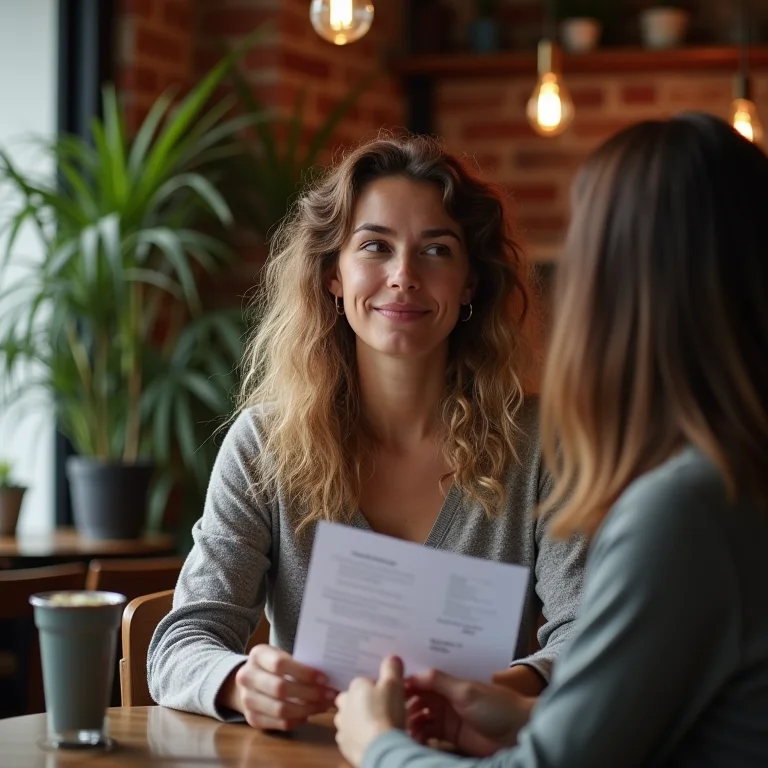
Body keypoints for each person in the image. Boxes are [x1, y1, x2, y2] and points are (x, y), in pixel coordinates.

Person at [334, 113, 768, 767]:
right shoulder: (734, 477)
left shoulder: (685, 510)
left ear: (621, 284)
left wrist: (379, 746)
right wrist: (527, 718)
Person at [147, 135, 586, 729]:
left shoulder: (542, 443)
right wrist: (239, 683)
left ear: (470, 284)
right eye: (375, 246)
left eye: (436, 251)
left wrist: (493, 692)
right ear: (332, 274)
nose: (403, 275)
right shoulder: (265, 444)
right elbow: (181, 643)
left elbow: (588, 636)